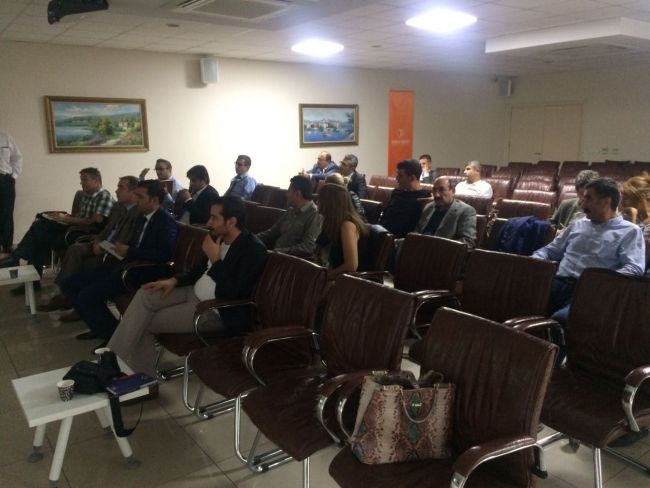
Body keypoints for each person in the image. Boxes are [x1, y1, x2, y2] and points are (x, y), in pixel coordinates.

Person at [107, 196, 268, 376]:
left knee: (143, 322)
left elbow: (233, 292)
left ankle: (132, 374)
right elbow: (198, 269)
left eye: (214, 218)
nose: (208, 222)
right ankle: (112, 360)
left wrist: (216, 260)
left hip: (214, 310)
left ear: (231, 222)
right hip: (193, 291)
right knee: (146, 293)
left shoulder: (253, 250)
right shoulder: (218, 237)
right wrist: (173, 281)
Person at [61, 180, 178, 348]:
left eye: (140, 197)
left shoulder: (165, 221)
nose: (136, 200)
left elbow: (164, 255)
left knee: (87, 295)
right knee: (69, 284)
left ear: (154, 200)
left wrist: (129, 251)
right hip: (124, 265)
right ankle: (98, 327)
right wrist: (117, 248)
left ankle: (113, 338)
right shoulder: (141, 217)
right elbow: (133, 244)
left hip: (142, 271)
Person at [532, 177, 645, 329]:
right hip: (557, 283)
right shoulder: (578, 225)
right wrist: (535, 261)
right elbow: (550, 251)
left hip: (591, 292)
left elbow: (634, 268)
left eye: (588, 199)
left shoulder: (629, 231)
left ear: (606, 202)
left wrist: (600, 280)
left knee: (559, 320)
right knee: (520, 302)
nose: (582, 204)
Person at [38, 175, 142, 313]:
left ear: (133, 192)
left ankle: (76, 305)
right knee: (75, 249)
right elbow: (106, 230)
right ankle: (65, 296)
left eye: (121, 187)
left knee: (87, 263)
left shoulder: (138, 212)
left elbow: (125, 240)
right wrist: (98, 241)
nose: (116, 190)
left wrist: (103, 246)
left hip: (115, 251)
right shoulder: (118, 206)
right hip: (102, 243)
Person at [0, 167, 113, 278]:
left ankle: (16, 257)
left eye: (85, 180)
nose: (81, 183)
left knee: (40, 232)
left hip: (83, 235)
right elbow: (79, 217)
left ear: (96, 180)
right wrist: (62, 217)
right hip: (74, 229)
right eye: (81, 180)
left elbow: (93, 222)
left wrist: (67, 219)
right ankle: (20, 264)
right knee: (40, 228)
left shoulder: (104, 196)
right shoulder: (87, 195)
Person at [256, 175, 321, 258]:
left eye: (289, 191)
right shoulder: (291, 210)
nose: (286, 195)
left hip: (290, 261)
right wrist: (252, 238)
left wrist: (278, 252)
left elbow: (308, 247)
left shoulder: (315, 214)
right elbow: (272, 232)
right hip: (275, 255)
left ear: (297, 193)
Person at [315, 183, 368, 280]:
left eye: (320, 199)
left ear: (330, 203)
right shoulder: (330, 222)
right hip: (328, 272)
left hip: (343, 280)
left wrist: (326, 277)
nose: (317, 202)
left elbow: (351, 265)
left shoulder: (347, 225)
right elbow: (318, 251)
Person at [414, 176, 477, 248]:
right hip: (419, 247)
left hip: (443, 251)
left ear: (453, 191)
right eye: (434, 190)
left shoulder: (466, 211)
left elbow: (468, 241)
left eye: (441, 190)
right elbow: (417, 231)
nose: (436, 195)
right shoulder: (429, 207)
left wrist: (440, 247)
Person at [379, 159, 432, 238]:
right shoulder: (396, 192)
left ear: (412, 178)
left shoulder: (425, 197)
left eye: (400, 176)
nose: (396, 178)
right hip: (382, 233)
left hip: (402, 239)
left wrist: (433, 201)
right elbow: (385, 215)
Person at [620, 171, 650, 272]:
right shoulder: (638, 220)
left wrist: (632, 219)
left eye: (625, 199)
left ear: (640, 198)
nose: (622, 203)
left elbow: (635, 256)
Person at [0, 128, 23, 254]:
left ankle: (7, 245)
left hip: (5, 180)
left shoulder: (5, 136)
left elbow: (17, 157)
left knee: (7, 213)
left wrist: (13, 176)